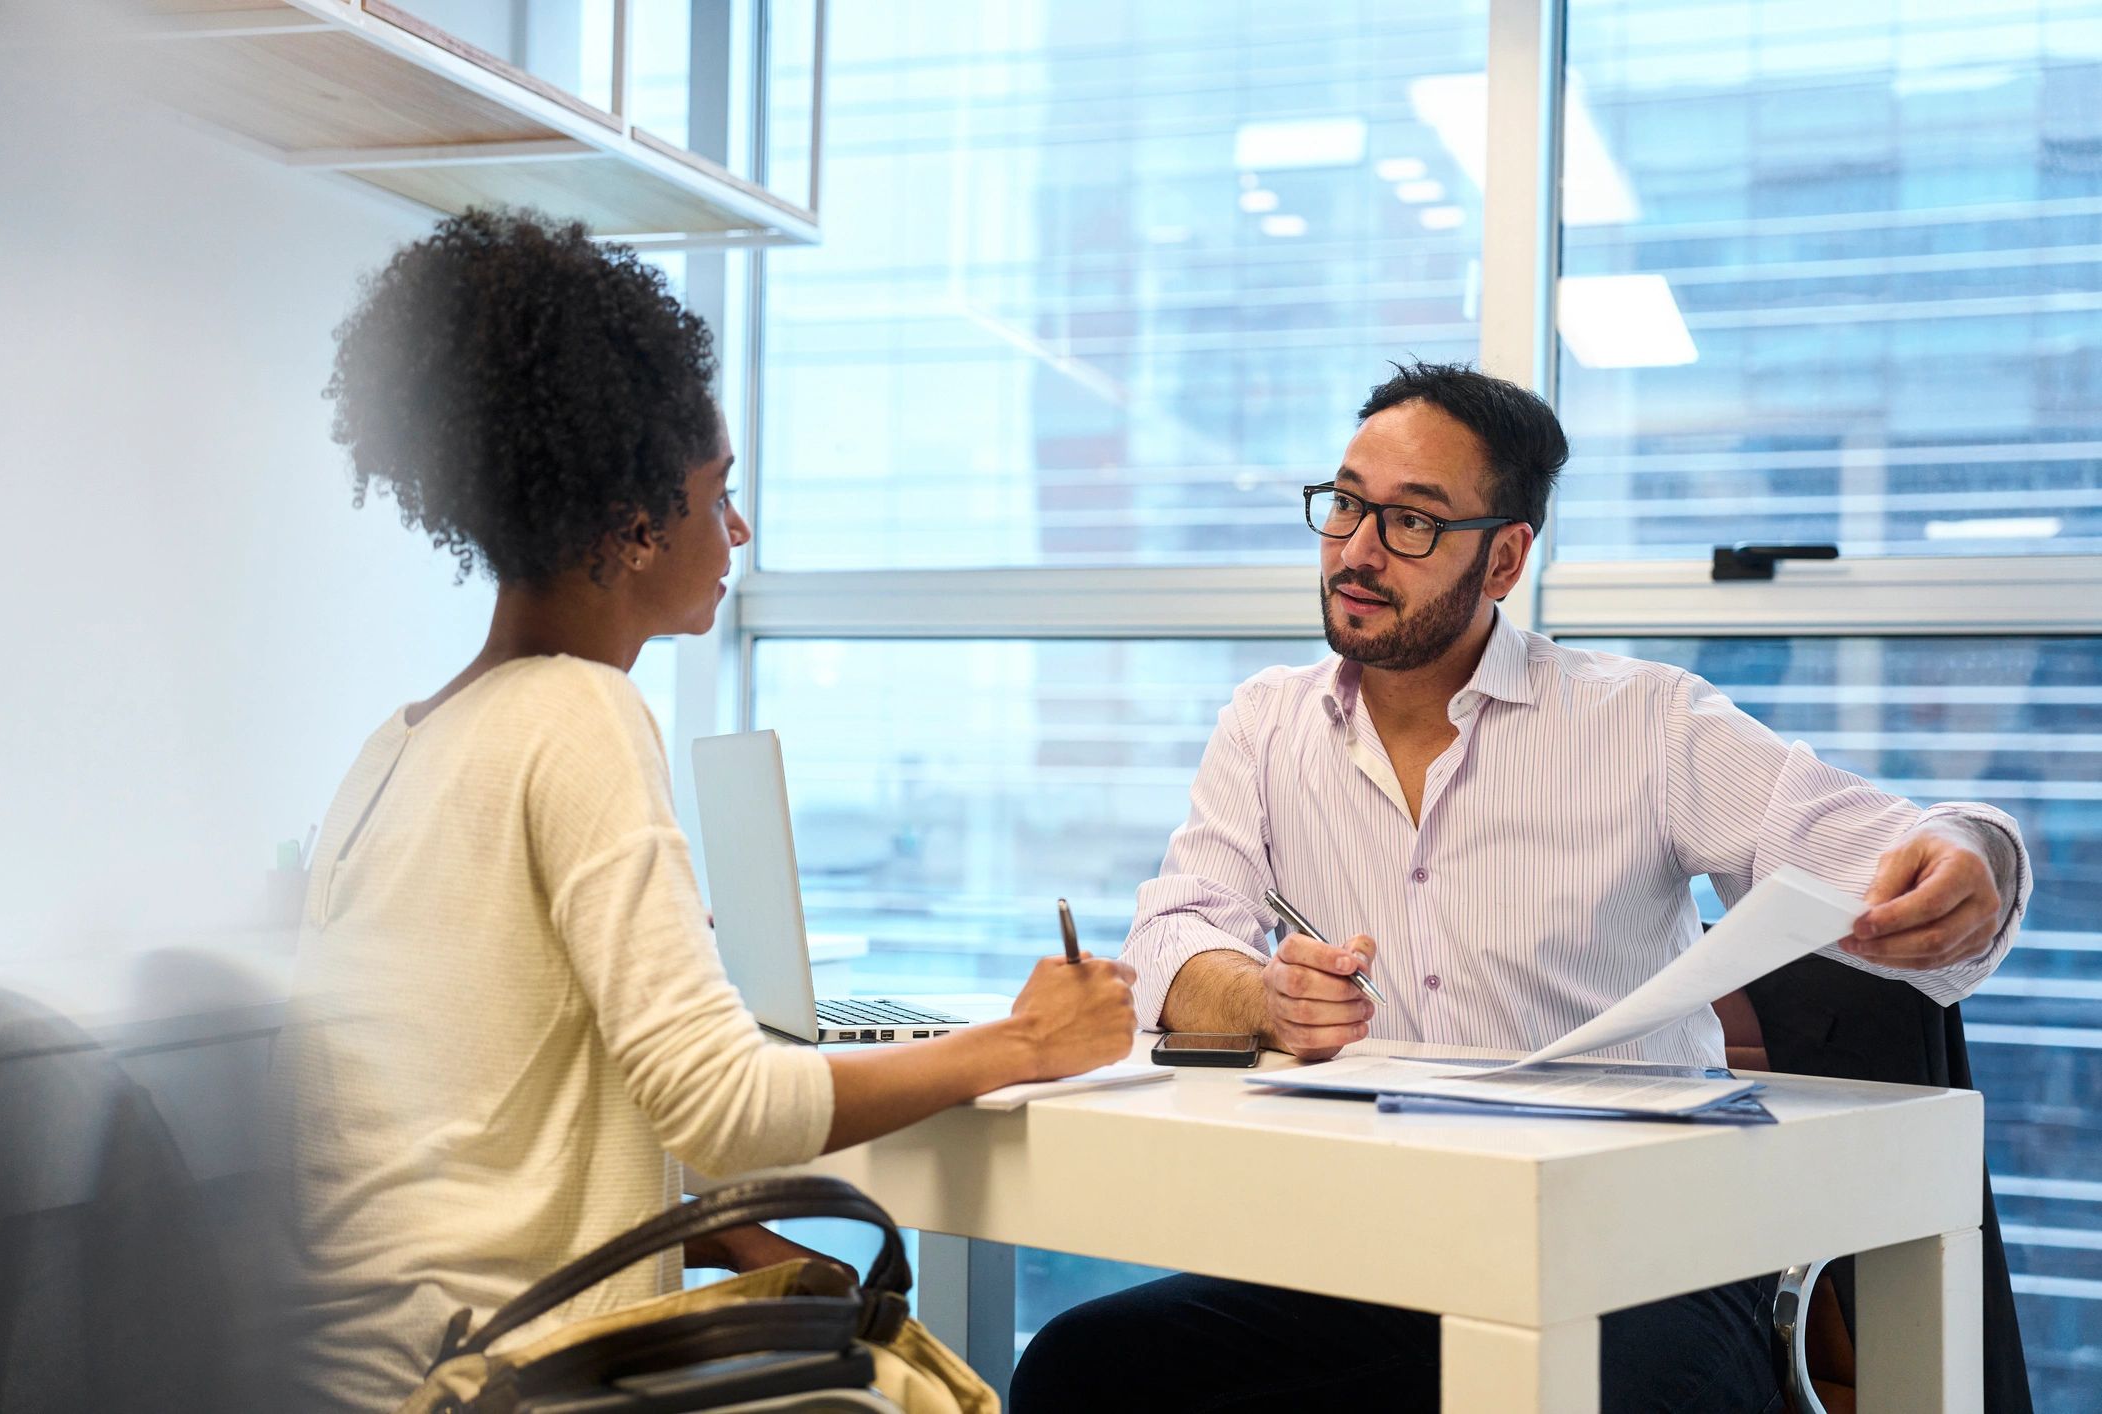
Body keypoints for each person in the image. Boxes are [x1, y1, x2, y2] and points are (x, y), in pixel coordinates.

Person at [1011, 361, 2027, 1413]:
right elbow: (1175, 934)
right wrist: (1263, 996)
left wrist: (1972, 856)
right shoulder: (1268, 723)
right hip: (1373, 1256)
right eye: (1347, 503)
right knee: (1086, 1369)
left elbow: (1894, 842)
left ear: (1504, 557)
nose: (1357, 550)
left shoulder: (1642, 721)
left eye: (1413, 523)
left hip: (1649, 1261)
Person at [279, 208, 1137, 1412]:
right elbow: (728, 1106)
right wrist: (1025, 1043)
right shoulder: (575, 713)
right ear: (634, 522)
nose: (736, 529)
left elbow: (477, 1128)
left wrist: (715, 1232)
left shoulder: (401, 742)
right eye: (718, 491)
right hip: (498, 1379)